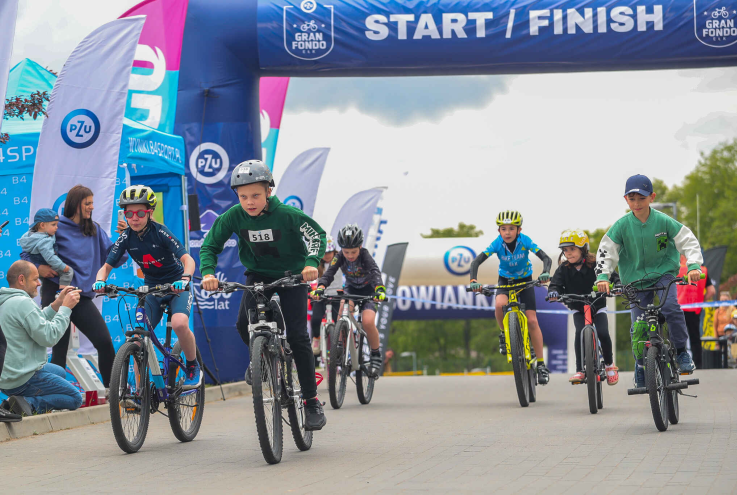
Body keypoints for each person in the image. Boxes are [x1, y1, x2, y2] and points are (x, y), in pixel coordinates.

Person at [200, 160, 327, 431]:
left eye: (256, 195)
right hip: (258, 276)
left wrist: (311, 263)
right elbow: (210, 245)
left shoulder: (287, 214)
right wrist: (208, 273)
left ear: (269, 191)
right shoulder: (234, 216)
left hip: (293, 276)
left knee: (298, 336)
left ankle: (311, 401)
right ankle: (260, 360)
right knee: (241, 324)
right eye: (243, 196)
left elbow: (316, 235)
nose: (249, 202)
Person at [596, 174, 703, 388]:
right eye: (632, 198)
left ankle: (682, 352)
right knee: (638, 325)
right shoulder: (621, 226)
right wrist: (603, 276)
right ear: (626, 200)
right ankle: (640, 365)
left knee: (671, 307)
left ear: (652, 197)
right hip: (634, 281)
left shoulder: (664, 221)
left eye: (642, 198)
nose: (637, 203)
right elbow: (606, 251)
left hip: (664, 275)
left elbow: (688, 240)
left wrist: (693, 265)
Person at [93, 185, 201, 389]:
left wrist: (185, 279)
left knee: (179, 323)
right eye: (129, 213)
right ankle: (139, 391)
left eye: (140, 213)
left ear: (150, 212)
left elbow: (188, 259)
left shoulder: (161, 232)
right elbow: (106, 267)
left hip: (176, 287)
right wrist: (100, 282)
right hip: (151, 289)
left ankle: (193, 366)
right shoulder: (126, 237)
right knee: (137, 339)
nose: (134, 218)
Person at [23, 185, 124, 388]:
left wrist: (124, 238)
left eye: (92, 203)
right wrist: (40, 268)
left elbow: (114, 257)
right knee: (59, 349)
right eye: (88, 203)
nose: (92, 207)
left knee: (104, 342)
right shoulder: (55, 227)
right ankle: (56, 396)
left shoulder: (94, 229)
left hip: (80, 295)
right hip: (56, 293)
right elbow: (26, 253)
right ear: (75, 204)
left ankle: (114, 392)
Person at [469, 210, 553, 384]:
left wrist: (545, 272)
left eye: (511, 229)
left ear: (519, 230)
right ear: (499, 231)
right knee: (499, 305)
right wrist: (473, 280)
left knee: (532, 321)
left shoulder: (525, 241)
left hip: (525, 281)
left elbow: (546, 258)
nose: (507, 232)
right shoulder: (497, 243)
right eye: (503, 229)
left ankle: (541, 364)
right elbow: (476, 261)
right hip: (505, 281)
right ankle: (503, 334)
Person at [0, 261, 83, 417]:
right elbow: (49, 337)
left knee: (59, 372)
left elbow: (36, 321)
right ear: (21, 279)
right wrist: (65, 309)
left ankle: (20, 399)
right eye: (35, 279)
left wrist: (57, 304)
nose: (39, 283)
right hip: (21, 379)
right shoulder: (23, 302)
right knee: (75, 398)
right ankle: (27, 403)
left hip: (7, 377)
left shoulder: (7, 300)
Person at [311, 224, 387, 376]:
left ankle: (375, 354)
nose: (350, 255)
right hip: (351, 289)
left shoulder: (365, 255)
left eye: (353, 252)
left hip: (369, 291)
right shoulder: (339, 257)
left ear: (360, 247)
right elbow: (329, 273)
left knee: (367, 322)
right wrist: (321, 287)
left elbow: (374, 271)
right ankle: (339, 347)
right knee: (342, 312)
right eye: (346, 252)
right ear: (341, 249)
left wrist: (379, 289)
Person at [546, 229, 620, 385]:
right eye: (565, 250)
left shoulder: (596, 263)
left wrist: (618, 285)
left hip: (597, 306)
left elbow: (611, 275)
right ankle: (580, 369)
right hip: (578, 307)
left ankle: (609, 364)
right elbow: (555, 284)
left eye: (572, 249)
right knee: (579, 333)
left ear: (583, 249)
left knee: (603, 333)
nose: (568, 253)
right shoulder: (563, 269)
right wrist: (553, 292)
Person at [677, 254, 714, 369]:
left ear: (681, 257)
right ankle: (698, 364)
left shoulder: (676, 269)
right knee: (695, 337)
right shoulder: (702, 270)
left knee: (676, 336)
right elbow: (711, 291)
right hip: (695, 308)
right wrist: (702, 300)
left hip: (678, 308)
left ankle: (677, 363)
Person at [20, 209, 74, 288]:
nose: (56, 227)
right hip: (46, 265)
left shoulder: (29, 235)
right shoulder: (45, 241)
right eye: (53, 225)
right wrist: (62, 266)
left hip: (35, 265)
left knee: (44, 283)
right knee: (68, 272)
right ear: (42, 225)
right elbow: (50, 257)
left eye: (57, 224)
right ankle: (62, 291)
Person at [311, 234, 341, 355]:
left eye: (329, 252)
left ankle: (338, 346)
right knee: (315, 320)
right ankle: (316, 338)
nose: (327, 255)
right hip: (321, 296)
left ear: (334, 251)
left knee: (337, 322)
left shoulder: (340, 261)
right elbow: (311, 280)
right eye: (324, 253)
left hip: (337, 297)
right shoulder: (317, 264)